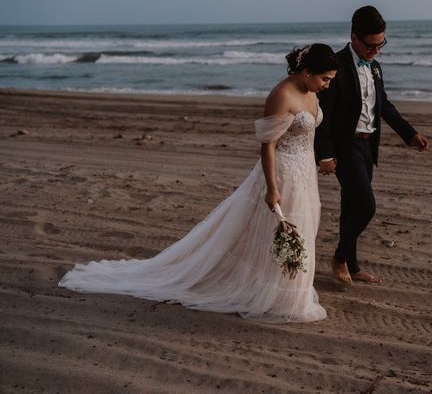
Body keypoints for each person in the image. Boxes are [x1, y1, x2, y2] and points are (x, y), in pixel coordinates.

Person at [59, 43, 338, 323]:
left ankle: (292, 292)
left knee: (302, 229)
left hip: (305, 174)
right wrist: (271, 188)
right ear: (306, 71)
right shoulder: (281, 94)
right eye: (324, 79)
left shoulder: (313, 93)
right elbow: (268, 146)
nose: (327, 85)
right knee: (273, 232)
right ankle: (272, 293)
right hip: (282, 173)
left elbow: (308, 137)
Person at [315, 6, 429, 284]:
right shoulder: (337, 65)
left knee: (351, 206)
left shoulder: (375, 67)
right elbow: (323, 115)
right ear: (354, 37)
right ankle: (339, 258)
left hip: (368, 146)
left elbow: (383, 105)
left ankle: (352, 267)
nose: (376, 51)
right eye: (371, 45)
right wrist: (325, 154)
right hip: (346, 146)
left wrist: (409, 134)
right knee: (366, 206)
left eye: (381, 44)